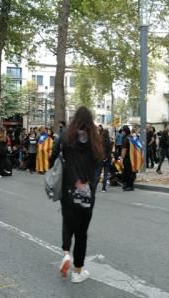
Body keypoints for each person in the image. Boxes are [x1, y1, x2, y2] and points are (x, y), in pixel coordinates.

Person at [50, 107, 103, 283]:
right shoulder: (95, 138)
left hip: (68, 189)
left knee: (67, 222)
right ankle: (78, 271)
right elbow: (100, 162)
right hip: (86, 191)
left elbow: (53, 156)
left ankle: (66, 254)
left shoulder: (66, 135)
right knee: (82, 232)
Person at [119, 126, 137, 191]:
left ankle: (129, 186)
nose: (122, 132)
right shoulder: (131, 137)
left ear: (125, 131)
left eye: (122, 131)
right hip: (133, 157)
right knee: (131, 172)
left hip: (127, 158)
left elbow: (124, 150)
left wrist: (121, 158)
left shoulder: (125, 139)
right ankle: (129, 185)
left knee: (127, 172)